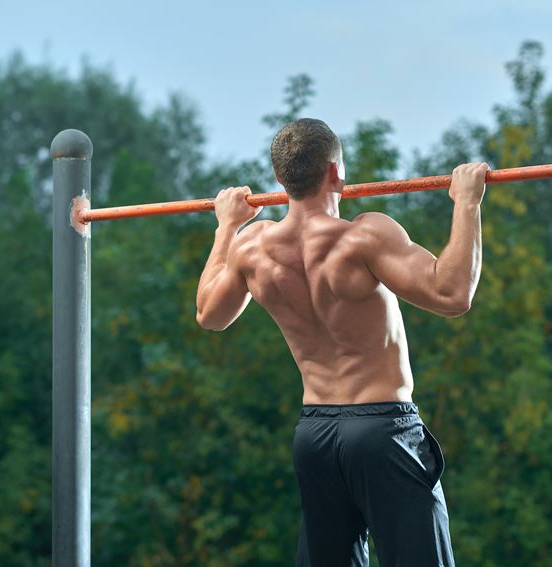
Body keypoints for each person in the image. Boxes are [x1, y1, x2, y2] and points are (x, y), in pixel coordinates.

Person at [196, 118, 488, 567]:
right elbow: (452, 294)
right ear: (336, 171)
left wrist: (226, 227)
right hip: (383, 430)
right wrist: (466, 202)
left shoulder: (251, 246)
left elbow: (210, 315)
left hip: (314, 436)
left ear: (280, 179)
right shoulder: (363, 237)